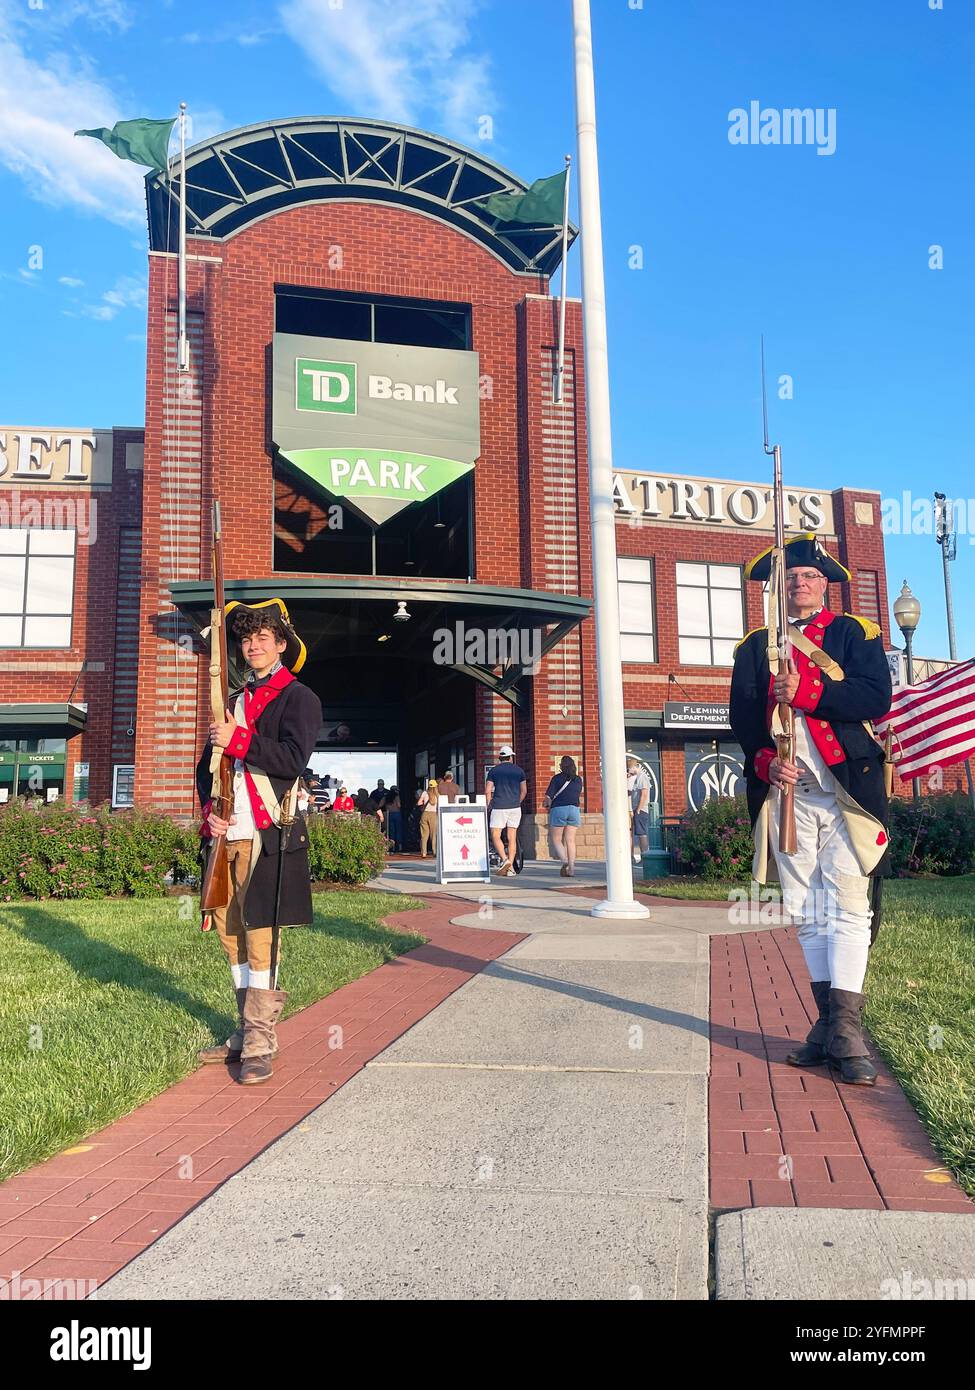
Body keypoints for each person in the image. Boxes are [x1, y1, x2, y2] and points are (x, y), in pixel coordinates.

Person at [729, 533, 892, 1086]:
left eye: (811, 576)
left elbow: (875, 696)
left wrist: (809, 692)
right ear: (779, 585)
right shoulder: (755, 646)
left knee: (847, 904)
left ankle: (845, 1033)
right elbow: (744, 721)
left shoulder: (853, 634)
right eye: (791, 577)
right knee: (808, 910)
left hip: (847, 794)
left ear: (826, 584)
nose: (800, 583)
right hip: (789, 797)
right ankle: (829, 1028)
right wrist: (765, 762)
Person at [195, 599, 320, 1085]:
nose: (252, 646)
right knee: (230, 934)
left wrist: (239, 737)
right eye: (247, 640)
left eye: (262, 639)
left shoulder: (299, 698)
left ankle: (261, 1039)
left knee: (262, 933)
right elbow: (208, 768)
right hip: (229, 831)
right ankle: (244, 1030)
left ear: (282, 646)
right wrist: (210, 813)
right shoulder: (231, 700)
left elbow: (292, 759)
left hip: (269, 830)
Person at [485, 745, 527, 876]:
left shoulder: (494, 771)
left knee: (495, 835)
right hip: (515, 807)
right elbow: (524, 791)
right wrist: (517, 802)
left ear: (500, 758)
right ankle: (510, 868)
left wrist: (488, 805)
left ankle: (505, 860)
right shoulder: (519, 771)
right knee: (512, 837)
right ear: (511, 757)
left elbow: (487, 791)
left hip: (499, 806)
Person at [543, 755, 583, 877]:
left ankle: (564, 861)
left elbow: (548, 797)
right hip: (574, 810)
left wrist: (546, 804)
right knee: (570, 840)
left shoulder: (556, 778)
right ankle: (571, 869)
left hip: (559, 809)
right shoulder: (578, 779)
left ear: (561, 766)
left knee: (556, 839)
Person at [626, 756, 651, 865]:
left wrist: (639, 809)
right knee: (640, 834)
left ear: (634, 767)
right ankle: (643, 856)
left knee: (642, 834)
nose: (629, 771)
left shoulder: (642, 777)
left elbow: (644, 794)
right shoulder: (637, 777)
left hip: (641, 810)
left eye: (629, 769)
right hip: (638, 809)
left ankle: (645, 857)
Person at [418, 778, 439, 857]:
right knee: (433, 834)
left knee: (424, 835)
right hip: (433, 815)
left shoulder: (425, 793)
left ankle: (424, 852)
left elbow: (419, 803)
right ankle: (434, 851)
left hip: (425, 814)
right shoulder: (437, 795)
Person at [384, 786, 403, 852]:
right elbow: (399, 805)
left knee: (391, 831)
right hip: (397, 813)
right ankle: (400, 846)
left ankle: (393, 847)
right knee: (398, 830)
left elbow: (380, 804)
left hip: (389, 814)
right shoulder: (397, 796)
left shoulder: (386, 796)